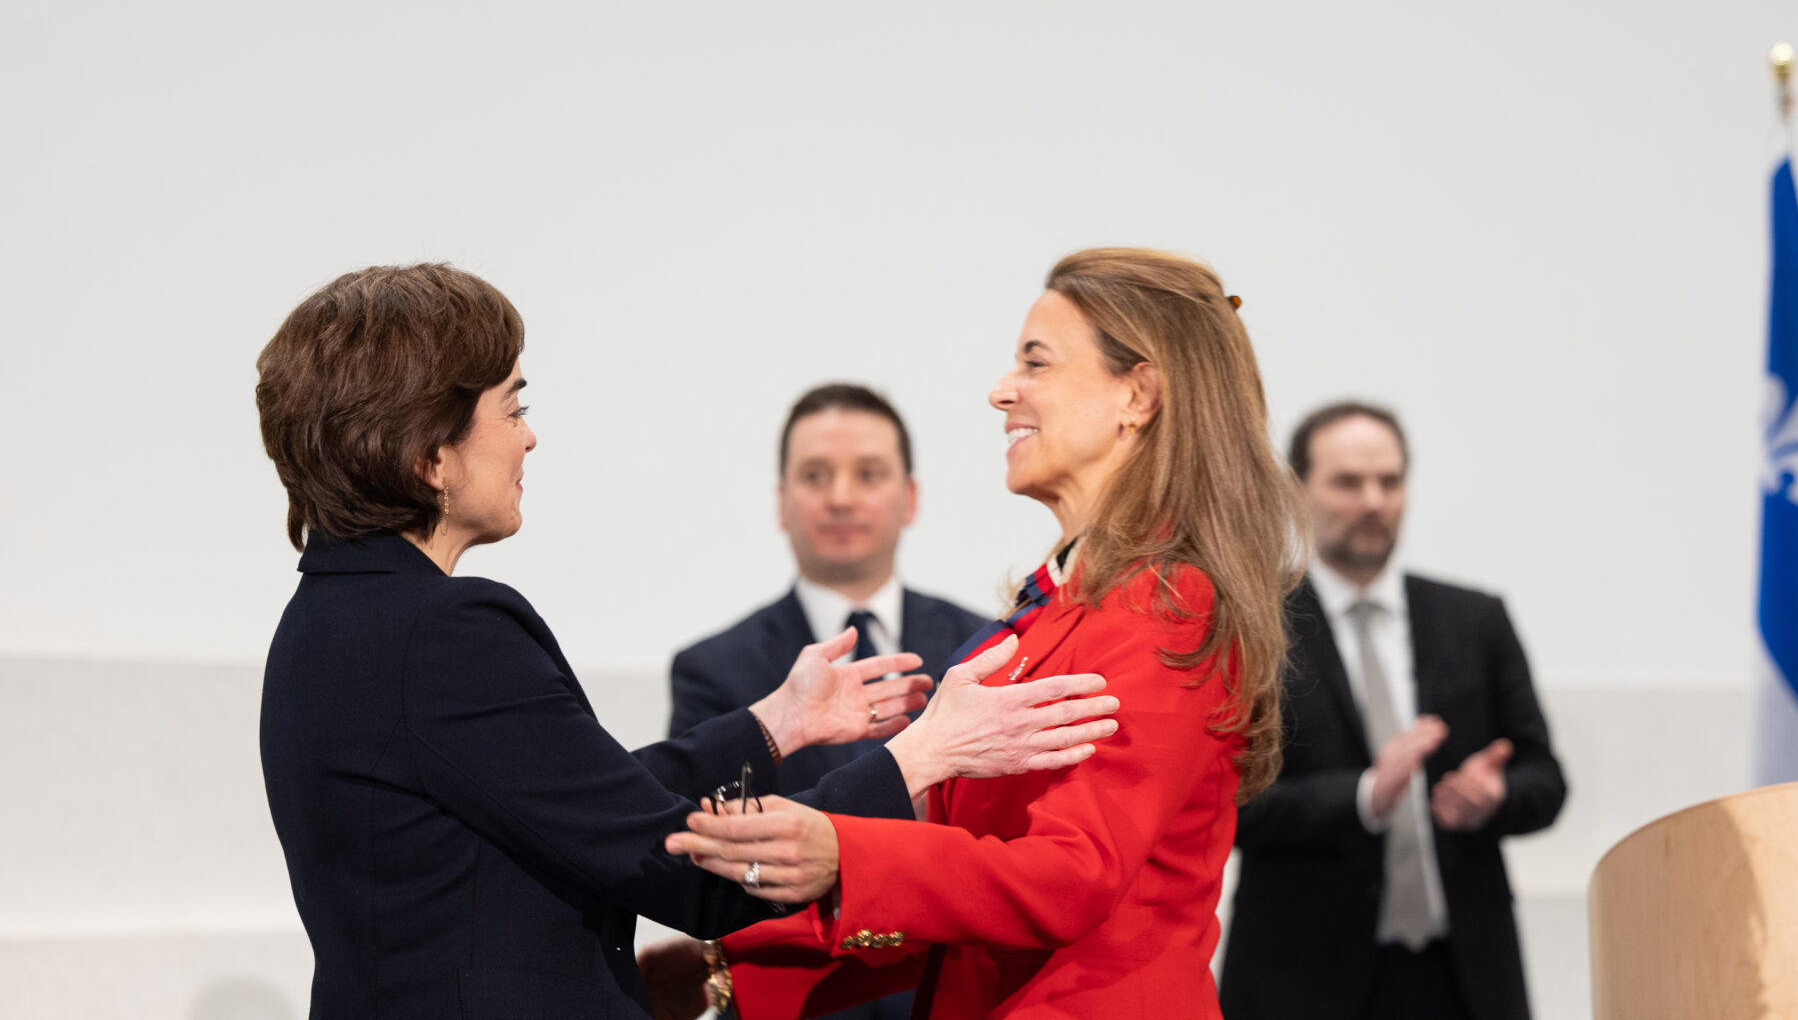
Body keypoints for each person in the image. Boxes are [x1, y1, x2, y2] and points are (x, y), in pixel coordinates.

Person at [254, 264, 1122, 1020]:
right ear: (428, 453)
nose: (529, 434)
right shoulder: (444, 630)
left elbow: (578, 804)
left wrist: (776, 726)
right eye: (511, 406)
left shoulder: (326, 620)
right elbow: (690, 874)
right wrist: (919, 754)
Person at [645, 248, 1306, 1020]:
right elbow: (968, 903)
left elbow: (1069, 876)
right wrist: (730, 967)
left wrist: (844, 854)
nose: (1002, 392)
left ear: (1138, 393)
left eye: (1037, 362)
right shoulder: (1061, 602)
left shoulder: (1168, 603)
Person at [1219, 402, 1568, 1020]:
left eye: (1390, 480)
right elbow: (1226, 805)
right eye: (1348, 482)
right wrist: (1360, 796)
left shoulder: (1475, 620)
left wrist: (1496, 797)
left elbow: (1546, 780)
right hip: (1300, 979)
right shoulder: (1255, 625)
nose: (1373, 501)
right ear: (1298, 489)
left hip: (1462, 978)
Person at [669, 383, 986, 796]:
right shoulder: (712, 671)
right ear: (782, 502)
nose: (840, 498)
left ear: (910, 499)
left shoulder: (980, 649)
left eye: (868, 474)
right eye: (815, 476)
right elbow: (705, 829)